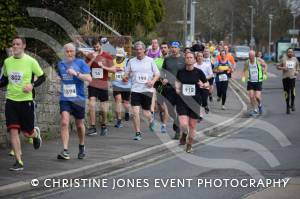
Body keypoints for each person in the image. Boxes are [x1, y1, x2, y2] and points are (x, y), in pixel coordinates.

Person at [0, 36, 45, 171]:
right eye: (13, 44)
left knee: (27, 133)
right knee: (13, 131)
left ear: (24, 46)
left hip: (26, 102)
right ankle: (19, 161)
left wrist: (32, 85)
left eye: (18, 44)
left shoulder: (31, 61)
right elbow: (5, 80)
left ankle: (35, 134)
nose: (15, 46)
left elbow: (42, 77)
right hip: (11, 101)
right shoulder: (7, 62)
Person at [56, 43, 92, 160]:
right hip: (65, 98)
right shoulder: (60, 64)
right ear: (64, 52)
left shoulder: (81, 63)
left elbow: (89, 78)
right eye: (67, 51)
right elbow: (61, 77)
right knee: (65, 122)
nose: (69, 53)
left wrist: (76, 73)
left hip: (78, 99)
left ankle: (81, 145)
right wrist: (59, 79)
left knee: (79, 125)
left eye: (71, 51)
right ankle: (65, 150)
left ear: (75, 52)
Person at [124, 41, 160, 141]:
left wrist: (152, 81)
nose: (139, 51)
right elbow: (126, 74)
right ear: (135, 50)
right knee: (135, 113)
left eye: (141, 49)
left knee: (145, 113)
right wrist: (125, 78)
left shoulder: (150, 61)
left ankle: (151, 119)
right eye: (137, 49)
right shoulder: (131, 61)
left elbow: (157, 74)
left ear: (144, 50)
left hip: (146, 90)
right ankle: (138, 133)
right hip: (135, 90)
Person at [175, 52, 209, 153]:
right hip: (182, 101)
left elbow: (206, 83)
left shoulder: (199, 72)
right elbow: (177, 81)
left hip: (195, 102)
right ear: (185, 60)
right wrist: (177, 87)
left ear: (194, 60)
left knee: (192, 125)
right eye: (187, 58)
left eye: (191, 58)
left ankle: (189, 144)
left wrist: (203, 85)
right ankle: (184, 134)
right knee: (184, 124)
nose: (189, 59)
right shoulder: (180, 72)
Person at [84, 38, 115, 136]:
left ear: (101, 45)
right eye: (94, 47)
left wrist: (104, 67)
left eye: (97, 46)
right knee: (91, 104)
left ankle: (103, 125)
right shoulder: (90, 55)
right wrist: (93, 58)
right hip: (93, 83)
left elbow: (114, 70)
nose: (96, 48)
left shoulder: (107, 56)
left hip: (103, 83)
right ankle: (93, 127)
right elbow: (85, 68)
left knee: (103, 108)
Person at [161, 41, 186, 139]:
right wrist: (163, 79)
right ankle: (176, 124)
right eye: (172, 47)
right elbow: (162, 72)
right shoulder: (167, 59)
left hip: (180, 89)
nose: (174, 49)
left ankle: (177, 130)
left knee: (180, 110)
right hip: (169, 88)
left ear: (179, 48)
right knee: (170, 110)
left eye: (176, 47)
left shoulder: (183, 59)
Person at [242, 50, 268, 116]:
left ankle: (259, 105)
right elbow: (244, 69)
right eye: (250, 56)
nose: (251, 58)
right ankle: (254, 109)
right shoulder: (247, 62)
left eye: (252, 56)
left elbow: (265, 66)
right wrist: (243, 77)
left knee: (257, 97)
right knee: (251, 96)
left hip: (258, 81)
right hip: (250, 81)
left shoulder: (259, 60)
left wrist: (264, 74)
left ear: (254, 56)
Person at [111, 47, 131, 128]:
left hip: (126, 85)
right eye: (117, 55)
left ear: (123, 55)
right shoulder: (113, 62)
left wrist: (126, 77)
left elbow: (131, 72)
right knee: (118, 100)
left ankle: (127, 111)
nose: (119, 57)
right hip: (116, 84)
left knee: (125, 103)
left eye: (120, 55)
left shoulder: (127, 61)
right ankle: (119, 120)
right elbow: (111, 73)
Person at [154, 42, 170, 133]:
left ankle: (164, 125)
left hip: (169, 86)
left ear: (168, 49)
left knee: (166, 106)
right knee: (161, 107)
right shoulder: (157, 60)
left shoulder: (171, 60)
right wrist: (159, 78)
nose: (163, 49)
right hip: (159, 85)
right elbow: (154, 72)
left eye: (165, 47)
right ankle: (162, 115)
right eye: (162, 47)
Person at [277, 48, 299, 114]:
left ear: (293, 53)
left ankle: (292, 104)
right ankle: (287, 106)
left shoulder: (295, 59)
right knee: (286, 93)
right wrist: (283, 68)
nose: (290, 53)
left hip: (292, 77)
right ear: (287, 53)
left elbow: (298, 67)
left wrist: (297, 71)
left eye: (291, 52)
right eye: (289, 52)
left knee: (292, 91)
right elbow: (277, 66)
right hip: (285, 78)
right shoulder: (283, 58)